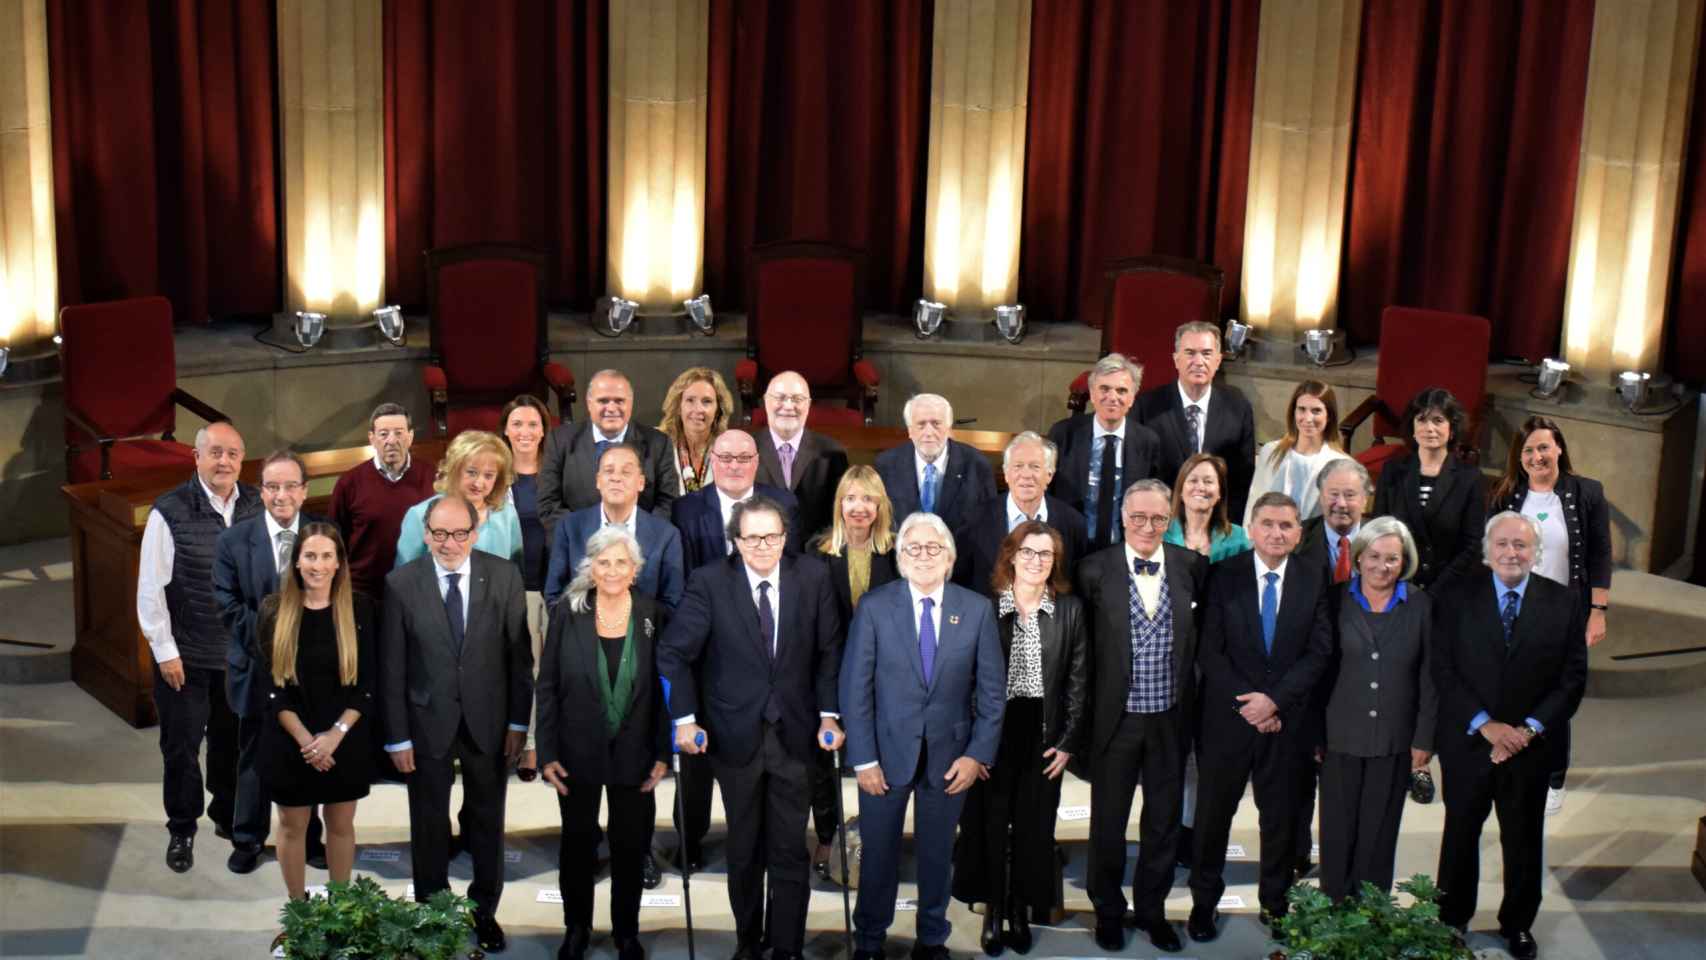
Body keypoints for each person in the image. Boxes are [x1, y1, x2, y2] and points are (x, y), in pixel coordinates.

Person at [660, 497, 844, 960]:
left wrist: (829, 714)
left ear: (785, 536)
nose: (763, 545)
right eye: (752, 537)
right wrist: (684, 719)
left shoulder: (813, 577)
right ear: (736, 541)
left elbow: (829, 653)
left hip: (797, 735)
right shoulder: (709, 582)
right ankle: (747, 943)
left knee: (788, 850)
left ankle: (786, 947)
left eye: (772, 536)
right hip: (732, 735)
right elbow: (673, 653)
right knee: (743, 851)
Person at [841, 512, 1005, 960]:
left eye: (934, 548)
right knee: (877, 856)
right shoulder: (875, 607)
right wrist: (864, 760)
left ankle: (932, 938)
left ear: (950, 558)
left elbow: (992, 693)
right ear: (900, 558)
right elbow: (855, 688)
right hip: (884, 758)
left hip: (950, 759)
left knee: (937, 857)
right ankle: (870, 938)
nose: (924, 556)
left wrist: (977, 756)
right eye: (913, 548)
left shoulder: (975, 609)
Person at [1433, 512, 1587, 960]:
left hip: (1530, 747)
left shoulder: (1563, 602)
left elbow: (1572, 678)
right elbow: (1443, 668)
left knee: (1522, 839)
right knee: (1460, 834)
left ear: (1535, 552)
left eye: (1521, 545)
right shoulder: (1458, 598)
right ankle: (1453, 918)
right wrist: (1486, 724)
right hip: (1469, 741)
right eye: (1502, 544)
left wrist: (1528, 730)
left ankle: (1518, 923)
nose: (1511, 553)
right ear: (1487, 550)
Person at [382, 495, 532, 954]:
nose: (450, 544)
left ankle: (484, 912)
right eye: (440, 534)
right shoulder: (400, 584)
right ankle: (432, 915)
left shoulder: (503, 575)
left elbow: (518, 658)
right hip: (426, 723)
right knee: (428, 824)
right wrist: (397, 735)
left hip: (489, 721)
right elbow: (392, 667)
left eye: (460, 533)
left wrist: (517, 724)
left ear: (476, 532)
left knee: (488, 823)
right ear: (426, 533)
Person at [1188, 491, 1332, 940]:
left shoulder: (1315, 577)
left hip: (1286, 722)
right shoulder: (1222, 576)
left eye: (1286, 525)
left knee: (1281, 819)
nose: (1276, 533)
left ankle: (1275, 903)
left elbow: (1319, 650)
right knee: (1213, 817)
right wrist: (1249, 704)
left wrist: (1275, 702)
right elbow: (1209, 650)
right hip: (1227, 720)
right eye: (1267, 524)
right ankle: (1203, 904)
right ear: (1251, 529)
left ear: (1298, 533)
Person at [1077, 479, 1208, 953]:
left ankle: (1152, 911)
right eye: (1139, 518)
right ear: (1123, 518)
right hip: (1115, 722)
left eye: (1157, 519)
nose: (1148, 527)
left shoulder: (1193, 567)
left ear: (1168, 521)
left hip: (1171, 719)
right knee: (1108, 823)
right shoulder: (1093, 570)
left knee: (1163, 822)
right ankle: (1107, 911)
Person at [953, 521, 1088, 957]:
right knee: (989, 822)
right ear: (1011, 555)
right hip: (993, 727)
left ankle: (1019, 909)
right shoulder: (983, 607)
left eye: (1045, 555)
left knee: (1034, 824)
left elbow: (1078, 681)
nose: (1036, 561)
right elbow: (966, 680)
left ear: (1055, 562)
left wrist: (1067, 742)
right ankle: (992, 908)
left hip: (1044, 729)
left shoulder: (1069, 609)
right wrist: (977, 745)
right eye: (1028, 552)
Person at [537, 527, 671, 960]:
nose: (612, 570)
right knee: (576, 845)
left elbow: (663, 689)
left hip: (636, 755)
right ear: (590, 569)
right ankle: (576, 927)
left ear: (635, 570)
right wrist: (547, 752)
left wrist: (663, 753)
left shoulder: (653, 615)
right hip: (576, 753)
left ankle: (625, 933)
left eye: (621, 563)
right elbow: (548, 686)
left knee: (630, 847)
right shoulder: (566, 613)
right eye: (603, 562)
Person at [137, 420, 261, 873]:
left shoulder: (256, 504)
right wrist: (165, 651)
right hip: (185, 659)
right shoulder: (168, 512)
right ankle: (181, 828)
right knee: (181, 748)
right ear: (196, 457)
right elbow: (150, 590)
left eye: (232, 453)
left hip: (238, 655)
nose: (223, 461)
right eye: (215, 453)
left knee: (232, 744)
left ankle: (227, 817)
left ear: (241, 459)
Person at [1488, 415, 1610, 816]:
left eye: (1544, 447)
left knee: (1557, 696)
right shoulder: (1507, 495)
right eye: (1528, 451)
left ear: (1559, 448)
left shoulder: (1586, 493)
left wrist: (1597, 610)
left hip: (1566, 613)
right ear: (1518, 458)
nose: (1537, 456)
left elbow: (1599, 555)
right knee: (1511, 689)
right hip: (1515, 612)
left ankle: (1555, 777)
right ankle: (1511, 760)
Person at [255, 524, 375, 932]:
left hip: (345, 739)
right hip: (291, 739)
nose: (318, 565)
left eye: (326, 556)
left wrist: (335, 735)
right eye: (310, 556)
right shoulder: (274, 610)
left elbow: (368, 685)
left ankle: (341, 910)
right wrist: (308, 741)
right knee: (292, 826)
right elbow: (270, 689)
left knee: (340, 825)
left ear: (339, 562)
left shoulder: (360, 610)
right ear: (296, 562)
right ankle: (299, 912)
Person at [213, 450, 325, 873]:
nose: (282, 495)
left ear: (304, 491)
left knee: (309, 749)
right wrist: (273, 641)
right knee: (254, 754)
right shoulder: (234, 541)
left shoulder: (324, 532)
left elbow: (336, 594)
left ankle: (310, 839)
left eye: (290, 486)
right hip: (256, 665)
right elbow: (226, 604)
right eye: (273, 486)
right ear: (261, 492)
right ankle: (247, 838)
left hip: (312, 666)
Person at [1318, 516, 1437, 901]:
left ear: (1405, 562)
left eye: (1392, 559)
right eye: (1374, 556)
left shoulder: (1421, 605)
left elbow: (1430, 677)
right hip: (1339, 736)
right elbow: (1317, 672)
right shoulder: (1334, 599)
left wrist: (1424, 738)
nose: (1382, 566)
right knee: (1337, 831)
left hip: (1395, 739)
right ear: (1358, 557)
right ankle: (1333, 910)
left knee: (1380, 831)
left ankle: (1371, 912)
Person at [808, 465, 900, 876]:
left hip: (884, 674)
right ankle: (828, 837)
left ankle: (876, 840)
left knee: (875, 759)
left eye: (868, 498)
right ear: (838, 504)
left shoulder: (897, 552)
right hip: (829, 667)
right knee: (823, 761)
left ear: (880, 505)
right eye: (851, 498)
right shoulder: (817, 551)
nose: (859, 507)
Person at [1137, 321, 1258, 521]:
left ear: (1218, 361)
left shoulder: (1238, 407)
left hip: (1218, 521)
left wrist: (1228, 526)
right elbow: (1141, 475)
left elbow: (1243, 478)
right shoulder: (1148, 407)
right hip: (1163, 521)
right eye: (1190, 353)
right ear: (1176, 360)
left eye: (1207, 353)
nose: (1199, 361)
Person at [1370, 387, 1486, 594]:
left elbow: (1472, 546)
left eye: (1438, 420)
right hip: (1396, 585)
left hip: (1447, 591)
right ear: (1412, 429)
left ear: (1452, 429)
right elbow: (1378, 531)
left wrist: (1434, 592)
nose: (1429, 428)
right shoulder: (1393, 471)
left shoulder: (1470, 478)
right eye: (1422, 420)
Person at [544, 443, 686, 611]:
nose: (616, 478)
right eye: (609, 471)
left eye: (626, 472)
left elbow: (672, 602)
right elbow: (554, 596)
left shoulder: (666, 535)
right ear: (598, 481)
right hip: (580, 633)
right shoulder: (569, 527)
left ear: (640, 482)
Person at [952, 431, 1089, 600]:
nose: (1026, 475)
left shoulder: (1074, 523)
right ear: (1006, 473)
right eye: (1018, 466)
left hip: (1050, 622)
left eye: (1035, 467)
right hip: (992, 623)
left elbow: (1074, 587)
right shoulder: (975, 520)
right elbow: (961, 584)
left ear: (1049, 475)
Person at [1046, 353, 1163, 548]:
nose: (1113, 397)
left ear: (1132, 397)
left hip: (1122, 550)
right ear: (1092, 393)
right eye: (1104, 389)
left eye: (1122, 390)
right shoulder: (1063, 434)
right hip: (1068, 545)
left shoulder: (1148, 442)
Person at [540, 369, 681, 530]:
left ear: (631, 403)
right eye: (603, 401)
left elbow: (668, 503)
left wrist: (635, 540)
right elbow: (548, 504)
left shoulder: (658, 443)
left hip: (639, 549)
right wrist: (587, 540)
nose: (611, 408)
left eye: (619, 401)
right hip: (577, 546)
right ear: (589, 403)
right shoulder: (560, 441)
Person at [329, 403, 436, 599]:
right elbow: (335, 540)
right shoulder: (349, 482)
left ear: (410, 436)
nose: (391, 440)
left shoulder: (433, 477)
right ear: (372, 438)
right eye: (384, 434)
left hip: (418, 587)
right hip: (363, 591)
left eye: (399, 433)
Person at [502, 395, 552, 782]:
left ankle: (545, 743)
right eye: (517, 424)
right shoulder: (497, 475)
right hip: (512, 587)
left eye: (532, 424)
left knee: (549, 668)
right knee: (521, 668)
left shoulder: (556, 472)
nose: (525, 432)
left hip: (552, 584)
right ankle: (523, 743)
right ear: (505, 429)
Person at [674, 429, 800, 574]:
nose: (734, 466)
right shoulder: (685, 509)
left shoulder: (785, 504)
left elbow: (791, 570)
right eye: (726, 458)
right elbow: (688, 576)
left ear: (756, 462)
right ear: (713, 461)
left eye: (744, 458)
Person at [394, 430, 524, 568]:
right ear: (454, 469)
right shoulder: (419, 515)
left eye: (488, 475)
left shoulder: (506, 514)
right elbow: (404, 579)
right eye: (471, 472)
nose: (479, 483)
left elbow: (516, 574)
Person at [875, 393, 997, 535]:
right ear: (910, 430)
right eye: (921, 424)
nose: (929, 432)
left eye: (936, 424)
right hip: (903, 555)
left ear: (949, 429)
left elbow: (990, 524)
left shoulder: (977, 465)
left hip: (960, 555)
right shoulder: (886, 465)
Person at [755, 370, 851, 541]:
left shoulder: (833, 453)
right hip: (759, 551)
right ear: (766, 401)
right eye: (780, 397)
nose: (788, 406)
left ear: (808, 405)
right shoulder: (748, 449)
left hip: (814, 555)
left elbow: (837, 517)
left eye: (797, 399)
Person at [1243, 380, 1344, 527]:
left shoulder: (1340, 464)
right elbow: (1254, 503)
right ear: (1293, 412)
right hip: (1266, 542)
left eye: (1316, 411)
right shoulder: (1270, 452)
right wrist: (1249, 543)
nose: (1308, 418)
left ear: (1329, 416)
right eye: (1302, 409)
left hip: (1311, 546)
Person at [658, 367, 734, 496]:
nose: (698, 409)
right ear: (678, 406)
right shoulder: (657, 445)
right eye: (690, 400)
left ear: (718, 409)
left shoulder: (729, 449)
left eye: (707, 401)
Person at [1163, 453, 1252, 562]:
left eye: (1208, 481)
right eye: (1193, 480)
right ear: (1181, 490)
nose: (1200, 487)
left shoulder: (1237, 537)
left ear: (1220, 492)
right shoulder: (1163, 533)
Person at [1297, 458, 1373, 585]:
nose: (1341, 503)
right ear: (1321, 497)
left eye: (1350, 495)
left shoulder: (1383, 538)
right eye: (1334, 494)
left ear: (1365, 499)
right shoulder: (1297, 539)